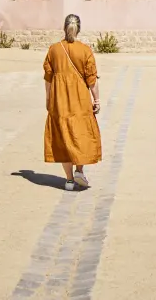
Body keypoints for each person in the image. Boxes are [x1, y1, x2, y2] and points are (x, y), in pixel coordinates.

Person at [43, 14, 101, 191]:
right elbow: (92, 79)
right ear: (79, 29)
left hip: (59, 100)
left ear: (64, 27)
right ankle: (79, 170)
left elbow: (48, 78)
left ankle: (69, 180)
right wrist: (96, 99)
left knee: (63, 137)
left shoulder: (54, 50)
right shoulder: (85, 50)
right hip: (80, 100)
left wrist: (48, 99)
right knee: (80, 134)